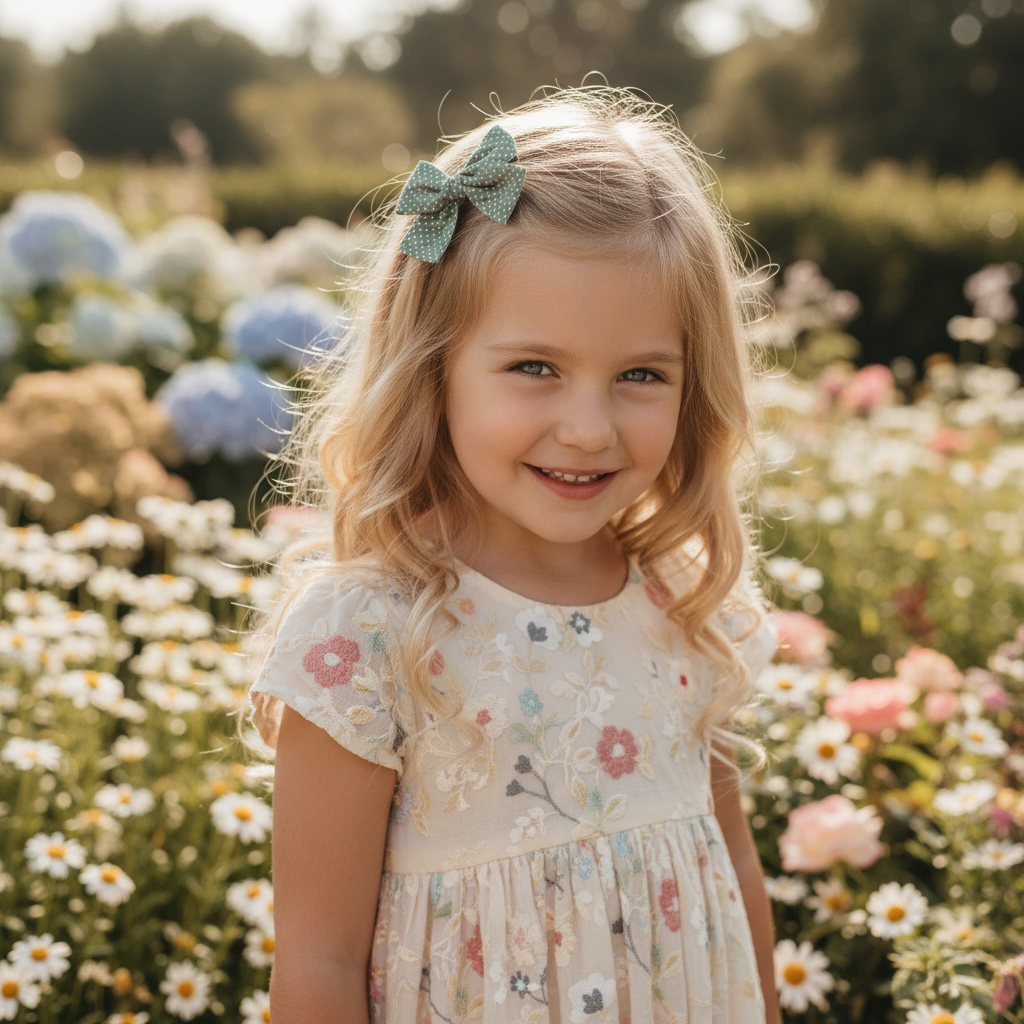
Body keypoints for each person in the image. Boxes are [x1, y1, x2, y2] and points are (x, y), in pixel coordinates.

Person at [249, 85, 782, 1024]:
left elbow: (734, 877)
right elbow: (318, 963)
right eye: (535, 367)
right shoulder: (368, 635)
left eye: (641, 374)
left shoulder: (683, 606)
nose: (588, 428)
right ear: (433, 368)